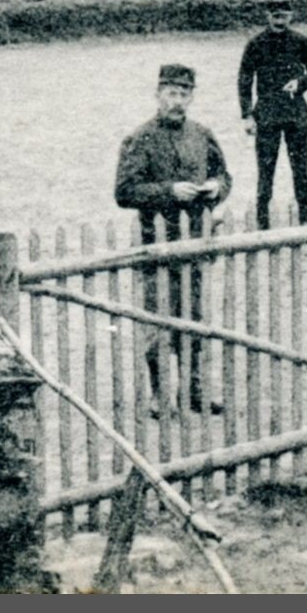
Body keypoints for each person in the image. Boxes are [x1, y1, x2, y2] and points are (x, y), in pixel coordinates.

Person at [115, 64, 232, 415]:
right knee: (156, 323)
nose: (177, 101)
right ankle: (159, 393)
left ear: (191, 97)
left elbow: (224, 176)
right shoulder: (140, 138)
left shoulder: (202, 134)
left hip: (195, 241)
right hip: (157, 244)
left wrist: (216, 188)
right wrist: (169, 191)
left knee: (194, 319)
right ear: (158, 95)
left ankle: (194, 390)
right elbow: (124, 192)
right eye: (171, 93)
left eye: (184, 94)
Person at [236, 0, 307, 227]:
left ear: (291, 16)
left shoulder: (300, 41)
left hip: (295, 112)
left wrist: (300, 83)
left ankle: (305, 216)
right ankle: (263, 221)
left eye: (284, 16)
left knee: (301, 169)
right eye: (275, 16)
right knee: (266, 170)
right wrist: (247, 114)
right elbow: (245, 79)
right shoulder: (256, 43)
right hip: (267, 113)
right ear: (268, 16)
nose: (279, 21)